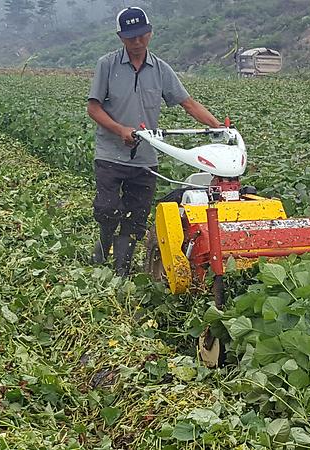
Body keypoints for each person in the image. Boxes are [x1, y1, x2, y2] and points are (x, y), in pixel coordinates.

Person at [87, 6, 221, 276]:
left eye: (141, 36)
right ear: (120, 37)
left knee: (136, 216)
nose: (136, 43)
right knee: (108, 208)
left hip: (145, 157)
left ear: (150, 33)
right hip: (110, 154)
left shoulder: (160, 69)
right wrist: (120, 130)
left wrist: (217, 126)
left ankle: (121, 271)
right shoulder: (107, 65)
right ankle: (103, 243)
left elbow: (188, 103)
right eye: (130, 38)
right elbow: (94, 108)